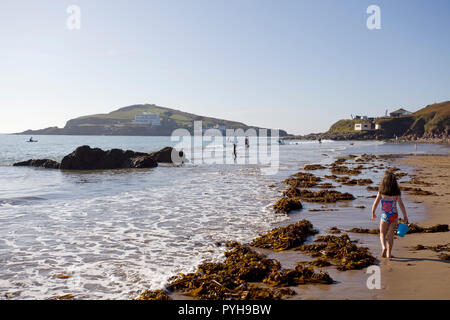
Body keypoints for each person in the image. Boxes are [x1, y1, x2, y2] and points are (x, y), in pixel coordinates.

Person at [371, 171, 409, 259]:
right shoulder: (396, 194)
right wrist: (405, 216)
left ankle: (383, 247)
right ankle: (389, 253)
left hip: (384, 216)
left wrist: (373, 212)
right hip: (394, 216)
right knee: (390, 236)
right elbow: (401, 205)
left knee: (382, 234)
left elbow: (375, 203)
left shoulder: (381, 193)